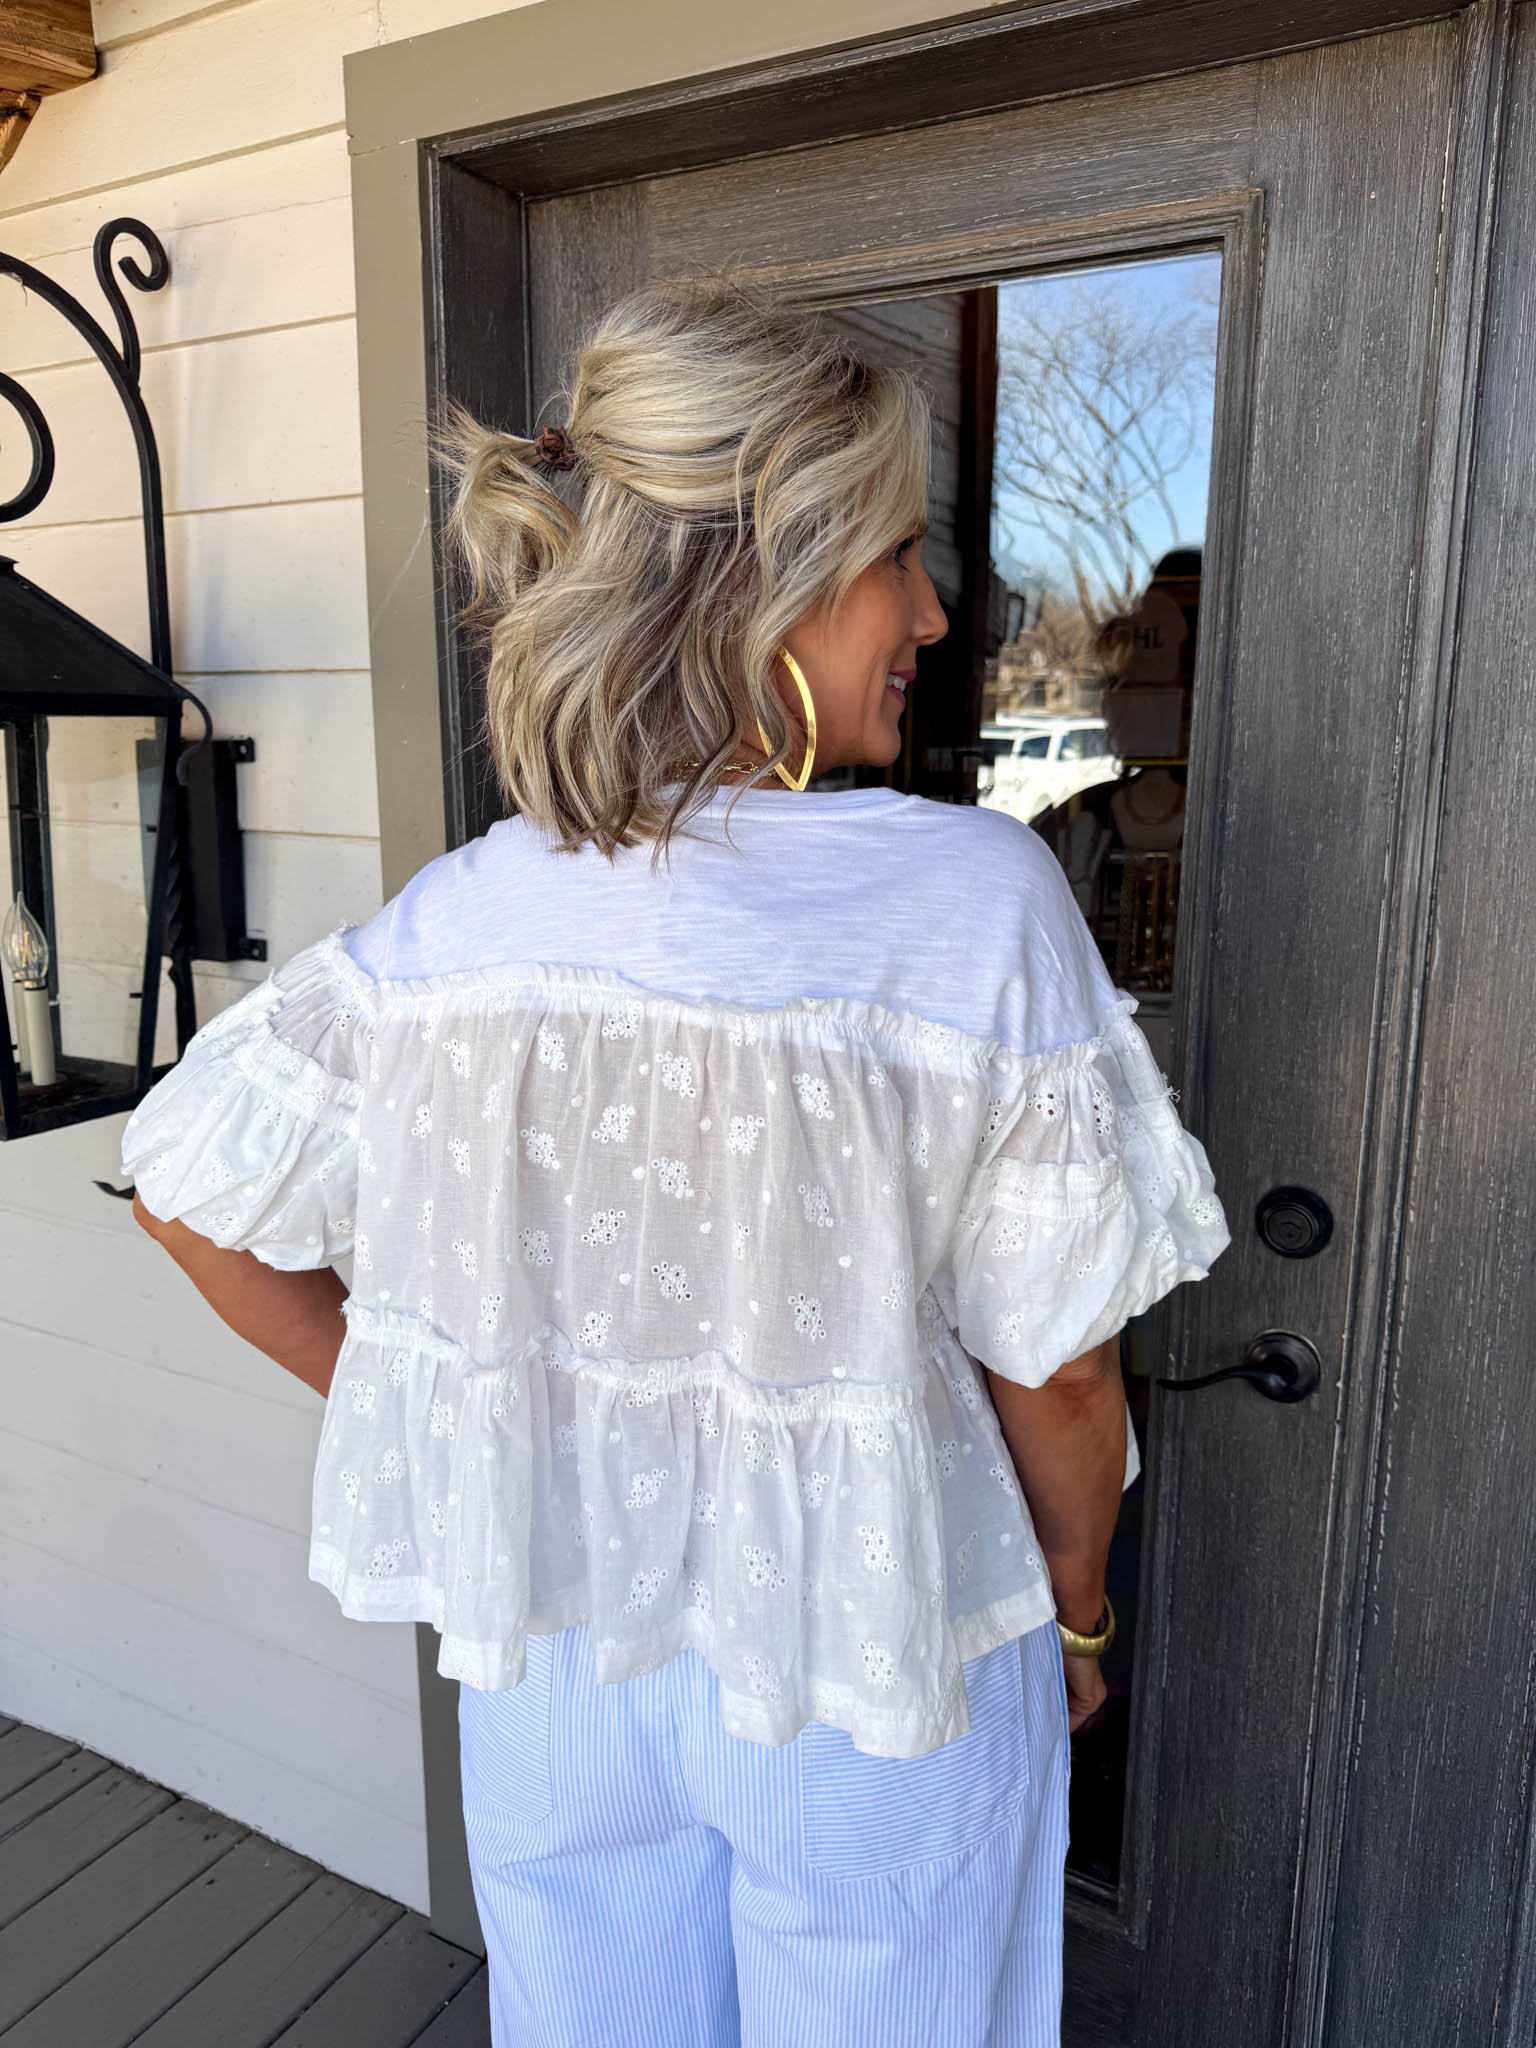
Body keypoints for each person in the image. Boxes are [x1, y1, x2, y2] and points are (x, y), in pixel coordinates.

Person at [121, 280, 1230, 2048]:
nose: (933, 615)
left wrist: (482, 1421)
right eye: (897, 556)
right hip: (883, 1664)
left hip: (567, 1655)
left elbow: (190, 1195)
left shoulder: (466, 915)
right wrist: (1079, 1611)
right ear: (762, 578)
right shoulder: (973, 902)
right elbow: (1066, 1364)